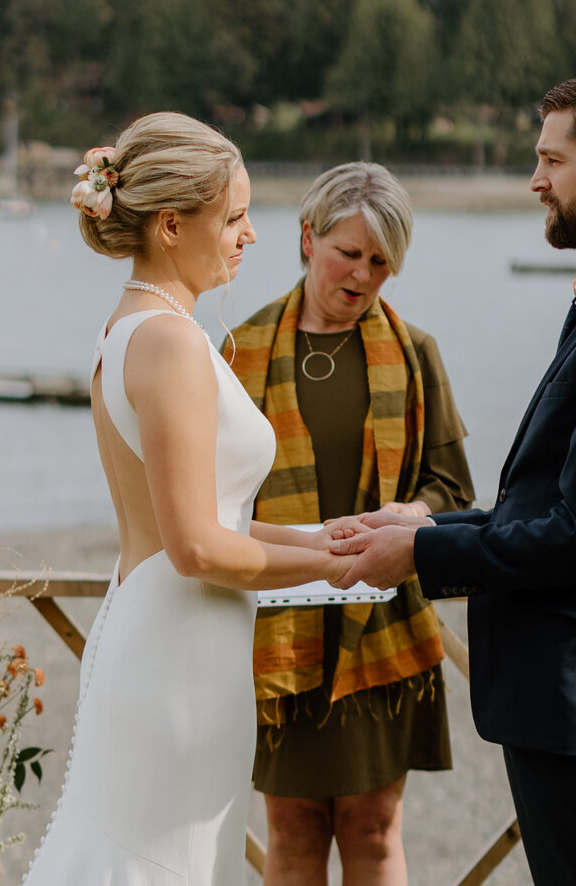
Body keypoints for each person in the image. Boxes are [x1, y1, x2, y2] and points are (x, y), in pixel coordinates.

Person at [328, 73, 576, 884]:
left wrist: (423, 558)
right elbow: (556, 505)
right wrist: (429, 526)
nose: (535, 180)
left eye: (552, 159)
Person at [22, 112, 352, 886]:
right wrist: (331, 570)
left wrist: (335, 537)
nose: (250, 235)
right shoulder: (167, 342)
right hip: (180, 656)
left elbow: (220, 520)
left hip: (180, 637)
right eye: (233, 216)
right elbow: (197, 547)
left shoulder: (145, 328)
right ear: (170, 225)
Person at [224, 162, 474, 886]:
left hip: (381, 624)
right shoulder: (237, 352)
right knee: (293, 831)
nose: (362, 275)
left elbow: (452, 486)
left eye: (379, 261)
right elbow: (215, 500)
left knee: (373, 826)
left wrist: (412, 515)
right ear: (307, 239)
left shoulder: (418, 353)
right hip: (275, 621)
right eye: (348, 253)